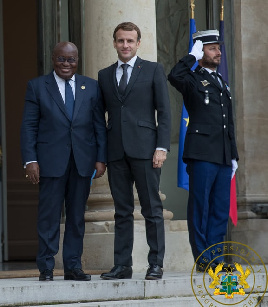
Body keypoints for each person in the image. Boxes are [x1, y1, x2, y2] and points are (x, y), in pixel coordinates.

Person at [20, 42, 107, 281]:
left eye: (71, 60)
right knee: (48, 217)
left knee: (77, 216)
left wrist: (101, 159)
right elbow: (29, 126)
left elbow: (99, 124)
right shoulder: (37, 86)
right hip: (49, 161)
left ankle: (73, 267)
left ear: (77, 60)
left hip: (82, 161)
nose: (66, 64)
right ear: (53, 59)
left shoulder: (91, 87)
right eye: (62, 59)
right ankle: (46, 267)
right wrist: (30, 160)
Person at [98, 22, 171, 280]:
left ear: (138, 43)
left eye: (130, 41)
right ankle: (122, 266)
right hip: (116, 152)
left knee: (152, 209)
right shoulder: (104, 75)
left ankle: (156, 264)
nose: (125, 45)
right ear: (115, 43)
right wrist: (101, 155)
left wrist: (161, 147)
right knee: (122, 211)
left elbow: (164, 112)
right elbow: (99, 117)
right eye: (121, 41)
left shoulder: (152, 70)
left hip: (146, 150)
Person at [168, 30, 239, 272]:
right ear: (200, 52)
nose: (218, 52)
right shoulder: (191, 78)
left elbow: (228, 122)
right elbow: (173, 76)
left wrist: (234, 155)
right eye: (212, 48)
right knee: (201, 206)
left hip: (222, 155)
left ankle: (216, 258)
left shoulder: (222, 82)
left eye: (218, 47)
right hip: (201, 153)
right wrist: (190, 57)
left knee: (219, 208)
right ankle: (202, 258)